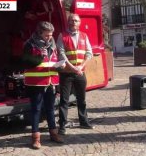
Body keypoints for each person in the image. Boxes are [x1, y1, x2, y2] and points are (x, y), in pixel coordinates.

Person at [22, 21, 64, 149]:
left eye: (51, 35)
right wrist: (40, 56)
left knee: (51, 109)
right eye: (47, 35)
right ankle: (36, 138)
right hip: (36, 83)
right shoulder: (29, 44)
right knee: (36, 110)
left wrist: (60, 66)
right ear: (39, 33)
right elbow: (25, 63)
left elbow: (53, 62)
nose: (49, 38)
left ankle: (53, 134)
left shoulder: (52, 44)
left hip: (51, 82)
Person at [57, 13, 94, 135]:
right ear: (68, 22)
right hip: (67, 73)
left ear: (80, 22)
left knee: (81, 99)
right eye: (72, 20)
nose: (74, 22)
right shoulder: (62, 36)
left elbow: (89, 53)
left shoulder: (84, 36)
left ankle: (84, 121)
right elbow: (61, 54)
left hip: (80, 72)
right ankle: (62, 125)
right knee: (64, 100)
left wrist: (81, 67)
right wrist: (73, 68)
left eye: (76, 20)